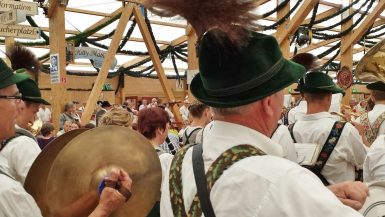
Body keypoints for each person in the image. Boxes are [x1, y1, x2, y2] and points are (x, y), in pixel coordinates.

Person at [141, 1, 368, 215]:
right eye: (281, 91)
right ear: (268, 102)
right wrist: (309, 199)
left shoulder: (177, 166)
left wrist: (319, 197)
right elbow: (266, 193)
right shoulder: (286, 182)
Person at [0, 59, 132, 217]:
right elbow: (44, 198)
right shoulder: (6, 192)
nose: (20, 106)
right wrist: (105, 208)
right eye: (15, 98)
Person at [289, 72, 367, 185]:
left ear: (303, 96)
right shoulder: (346, 130)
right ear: (330, 97)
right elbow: (364, 161)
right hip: (338, 201)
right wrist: (362, 136)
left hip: (301, 200)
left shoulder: (288, 130)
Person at [1, 78, 51, 185]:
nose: (33, 120)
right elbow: (42, 188)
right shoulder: (24, 144)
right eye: (34, 112)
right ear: (20, 106)